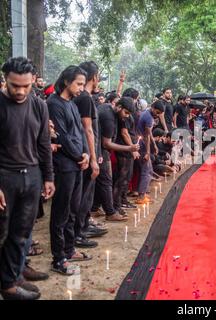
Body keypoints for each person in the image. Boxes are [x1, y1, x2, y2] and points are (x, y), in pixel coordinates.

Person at [0, 57, 55, 300]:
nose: (20, 91)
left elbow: (43, 144)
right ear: (5, 80)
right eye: (15, 86)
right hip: (4, 177)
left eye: (26, 86)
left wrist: (48, 177)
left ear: (33, 81)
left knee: (21, 233)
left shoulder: (39, 106)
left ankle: (10, 282)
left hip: (31, 175)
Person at [47, 65, 92, 276]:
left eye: (83, 84)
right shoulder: (53, 103)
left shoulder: (73, 104)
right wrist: (78, 155)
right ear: (66, 81)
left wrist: (86, 154)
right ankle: (59, 258)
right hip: (64, 166)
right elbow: (62, 136)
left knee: (73, 209)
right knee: (61, 212)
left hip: (77, 163)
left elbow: (81, 132)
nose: (82, 88)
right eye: (79, 83)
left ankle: (69, 248)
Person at [73, 61, 102, 248]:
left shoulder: (86, 97)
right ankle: (78, 231)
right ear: (95, 77)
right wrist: (92, 157)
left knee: (87, 195)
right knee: (82, 196)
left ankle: (83, 226)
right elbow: (87, 129)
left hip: (90, 153)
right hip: (85, 154)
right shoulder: (84, 98)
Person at [96, 97, 139, 222]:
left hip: (100, 151)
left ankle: (95, 207)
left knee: (102, 181)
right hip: (100, 151)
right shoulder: (108, 117)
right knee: (106, 181)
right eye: (126, 113)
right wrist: (129, 148)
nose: (126, 116)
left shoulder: (111, 109)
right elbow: (107, 143)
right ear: (119, 107)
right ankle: (110, 211)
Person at [135, 100, 165, 204]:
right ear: (152, 108)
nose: (158, 115)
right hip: (142, 146)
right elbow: (147, 136)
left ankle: (144, 193)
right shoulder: (148, 118)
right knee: (146, 170)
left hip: (141, 143)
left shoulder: (146, 113)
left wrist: (155, 145)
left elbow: (149, 134)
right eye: (157, 112)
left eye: (160, 114)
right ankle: (141, 196)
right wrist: (148, 152)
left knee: (149, 169)